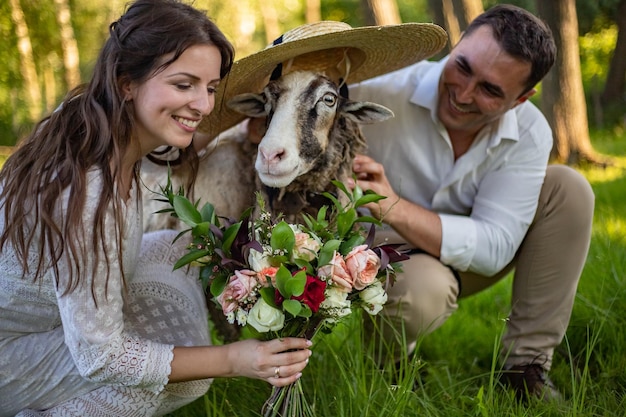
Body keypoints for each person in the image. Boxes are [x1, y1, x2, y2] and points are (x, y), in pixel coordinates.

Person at [0, 1, 313, 415]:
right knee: (156, 375)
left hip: (51, 322)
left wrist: (269, 125)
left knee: (171, 245)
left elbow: (178, 146)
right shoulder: (90, 192)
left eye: (212, 88)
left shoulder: (94, 125)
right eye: (184, 85)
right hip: (11, 359)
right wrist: (236, 359)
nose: (202, 105)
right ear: (127, 83)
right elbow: (102, 358)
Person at [348, 4, 595, 402]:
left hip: (473, 252)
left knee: (569, 189)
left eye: (490, 90)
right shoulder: (378, 88)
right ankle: (389, 365)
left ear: (521, 98)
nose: (463, 95)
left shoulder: (530, 131)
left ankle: (525, 370)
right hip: (390, 259)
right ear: (456, 45)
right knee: (418, 292)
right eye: (462, 67)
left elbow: (495, 246)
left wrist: (394, 205)